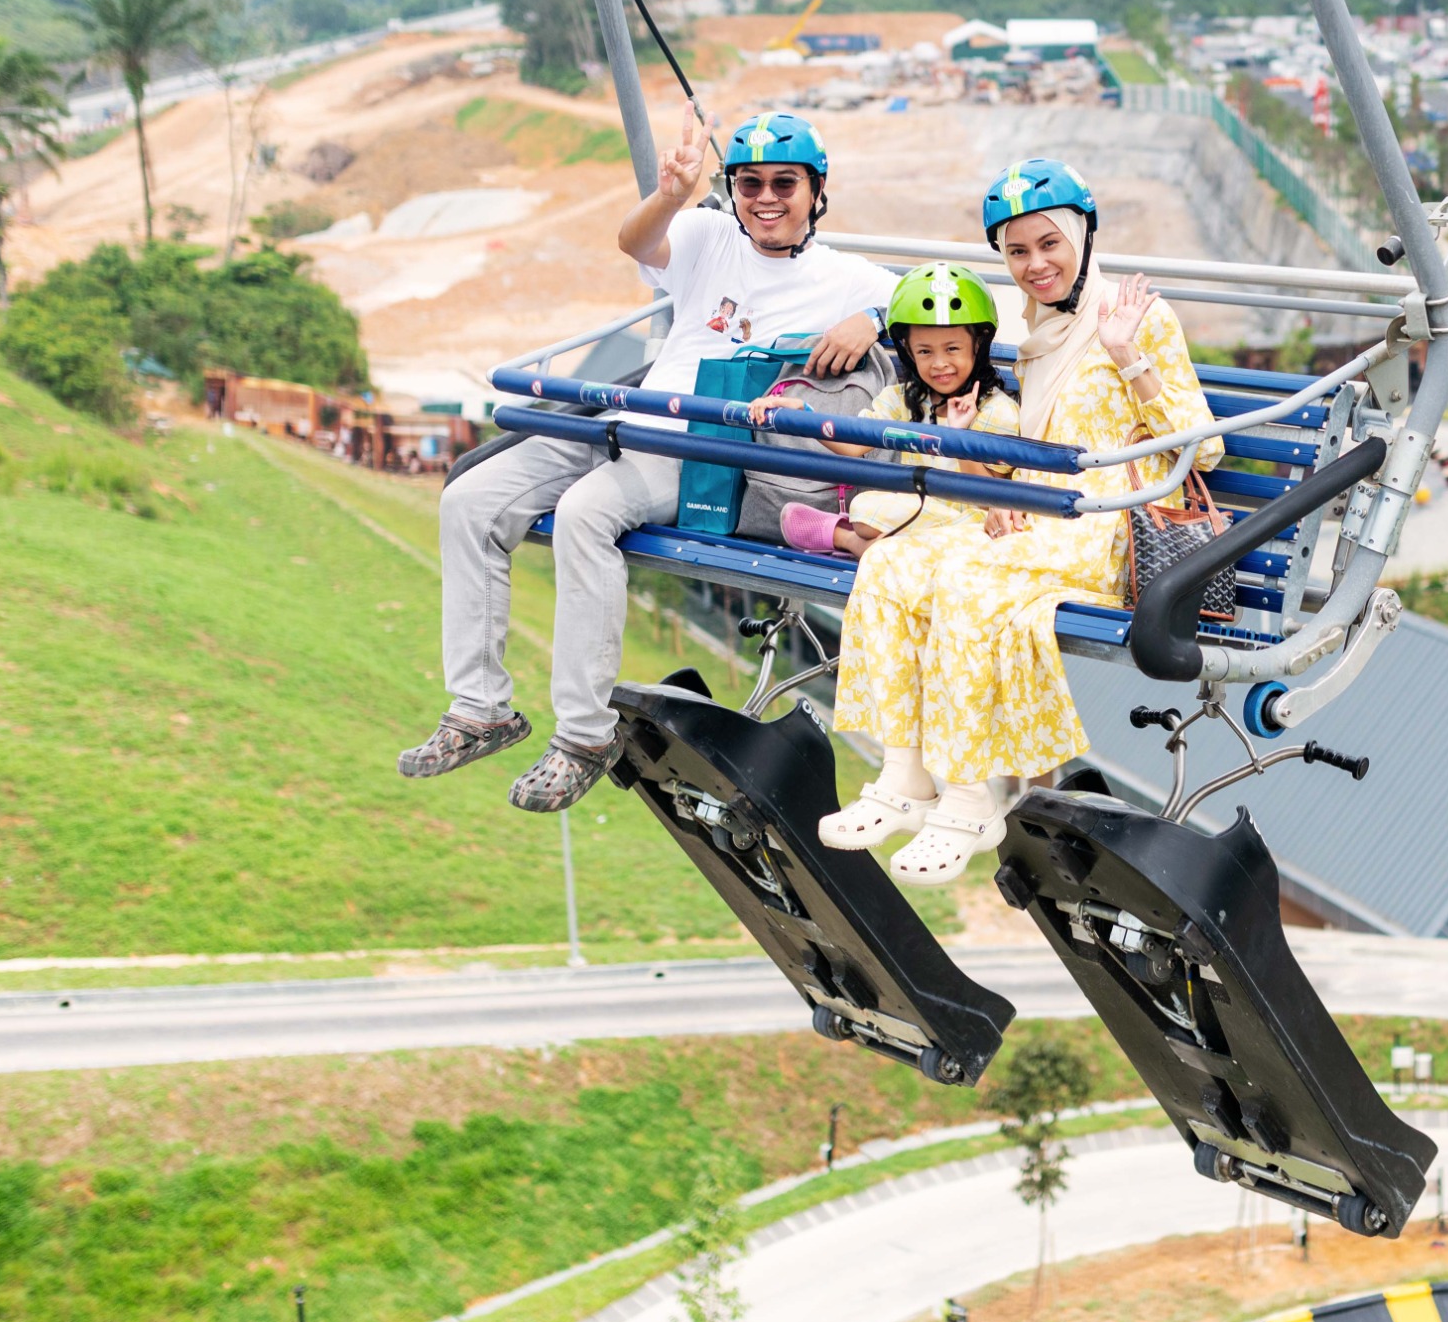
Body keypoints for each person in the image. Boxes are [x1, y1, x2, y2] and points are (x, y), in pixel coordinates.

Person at [401, 106, 892, 812]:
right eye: (751, 183)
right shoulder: (709, 234)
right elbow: (636, 241)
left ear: (816, 193)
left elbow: (928, 307)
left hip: (695, 445)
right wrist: (671, 192)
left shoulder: (845, 278)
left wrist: (869, 320)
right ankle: (481, 706)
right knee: (470, 500)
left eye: (786, 184)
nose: (767, 199)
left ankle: (584, 733)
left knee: (586, 514)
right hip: (629, 415)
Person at [823, 157, 1221, 885]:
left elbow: (1206, 444)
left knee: (969, 581)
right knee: (894, 564)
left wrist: (1129, 356)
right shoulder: (1036, 324)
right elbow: (936, 311)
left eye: (1049, 244)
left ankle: (973, 794)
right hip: (1036, 511)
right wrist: (870, 317)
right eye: (1016, 251)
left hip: (1102, 521)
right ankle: (905, 774)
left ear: (1081, 236)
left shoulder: (1135, 318)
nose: (1035, 264)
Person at [752, 261, 1019, 556]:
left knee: (958, 534)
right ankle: (874, 544)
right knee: (866, 508)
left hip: (974, 522)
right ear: (908, 352)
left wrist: (959, 439)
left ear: (978, 345)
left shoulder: (998, 411)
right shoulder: (902, 400)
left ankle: (845, 538)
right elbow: (854, 445)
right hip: (913, 512)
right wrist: (802, 412)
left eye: (952, 349)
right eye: (925, 352)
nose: (940, 363)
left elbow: (989, 498)